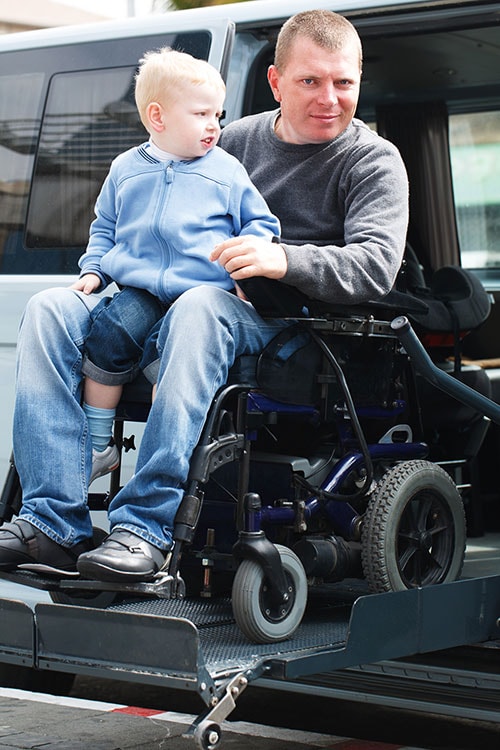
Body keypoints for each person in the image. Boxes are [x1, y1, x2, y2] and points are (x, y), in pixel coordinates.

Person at [0, 9, 408, 581]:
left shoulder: (371, 160)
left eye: (344, 82)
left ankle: (143, 529)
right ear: (275, 82)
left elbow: (376, 267)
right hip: (167, 301)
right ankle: (51, 523)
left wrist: (283, 257)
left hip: (289, 328)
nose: (330, 98)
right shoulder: (228, 140)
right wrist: (103, 269)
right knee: (49, 312)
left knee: (197, 307)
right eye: (310, 81)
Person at [71, 48, 280, 485]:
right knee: (109, 333)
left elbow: (261, 223)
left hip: (203, 293)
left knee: (167, 348)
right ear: (158, 116)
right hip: (143, 289)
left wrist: (248, 271)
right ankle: (98, 444)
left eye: (218, 115)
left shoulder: (226, 170)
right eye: (202, 113)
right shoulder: (125, 169)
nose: (214, 126)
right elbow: (104, 227)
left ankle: (169, 441)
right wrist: (94, 270)